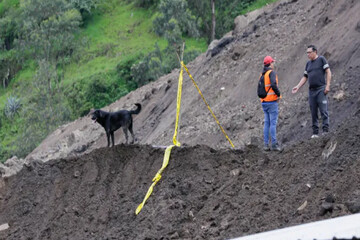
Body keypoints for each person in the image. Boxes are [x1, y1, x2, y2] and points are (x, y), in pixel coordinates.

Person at [292, 45, 332, 138]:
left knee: (323, 110)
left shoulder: (322, 59)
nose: (308, 54)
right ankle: (315, 133)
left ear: (315, 52)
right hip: (312, 91)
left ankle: (325, 131)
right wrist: (297, 87)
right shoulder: (308, 64)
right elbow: (305, 77)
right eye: (307, 53)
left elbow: (328, 72)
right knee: (313, 112)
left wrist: (327, 86)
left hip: (321, 89)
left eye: (309, 52)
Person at [260, 56, 281, 151]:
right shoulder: (271, 73)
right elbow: (273, 84)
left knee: (267, 123)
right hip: (272, 101)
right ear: (270, 64)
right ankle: (274, 144)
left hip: (264, 102)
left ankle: (265, 145)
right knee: (273, 123)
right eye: (272, 62)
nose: (273, 64)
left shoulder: (262, 74)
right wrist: (279, 95)